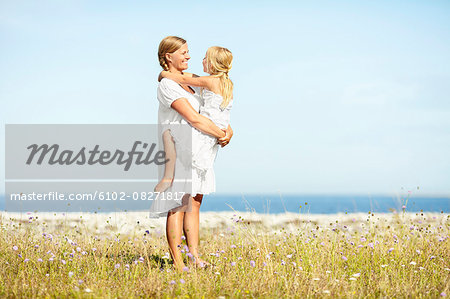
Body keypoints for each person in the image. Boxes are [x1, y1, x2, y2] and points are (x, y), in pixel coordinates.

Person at [150, 36, 233, 270]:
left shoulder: (193, 82)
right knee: (177, 204)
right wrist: (220, 133)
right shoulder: (167, 85)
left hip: (199, 149)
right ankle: (178, 263)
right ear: (169, 56)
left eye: (188, 52)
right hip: (179, 148)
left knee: (194, 202)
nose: (189, 56)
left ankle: (194, 257)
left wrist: (229, 131)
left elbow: (217, 107)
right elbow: (194, 118)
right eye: (184, 53)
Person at [154, 46, 234, 193]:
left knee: (168, 136)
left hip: (208, 128)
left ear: (212, 63)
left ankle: (167, 177)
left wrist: (164, 73)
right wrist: (228, 132)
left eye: (205, 58)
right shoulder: (227, 83)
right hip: (218, 129)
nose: (201, 60)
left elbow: (184, 78)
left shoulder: (210, 82)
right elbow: (223, 111)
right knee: (195, 194)